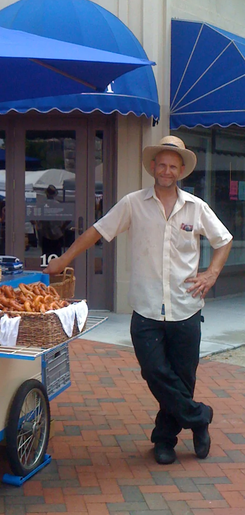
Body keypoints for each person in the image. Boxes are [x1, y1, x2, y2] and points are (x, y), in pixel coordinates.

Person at [45, 136, 233, 465]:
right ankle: (199, 418)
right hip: (145, 309)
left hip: (186, 307)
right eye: (161, 164)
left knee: (183, 378)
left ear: (181, 171)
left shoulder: (196, 207)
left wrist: (213, 273)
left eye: (173, 166)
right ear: (152, 167)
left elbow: (224, 240)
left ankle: (165, 440)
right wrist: (63, 259)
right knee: (155, 372)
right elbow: (97, 231)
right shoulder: (133, 203)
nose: (166, 170)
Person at [39, 185, 67, 257]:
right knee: (57, 254)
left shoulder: (43, 205)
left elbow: (38, 219)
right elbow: (67, 218)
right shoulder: (58, 205)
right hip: (57, 233)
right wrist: (63, 227)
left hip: (46, 233)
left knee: (46, 255)